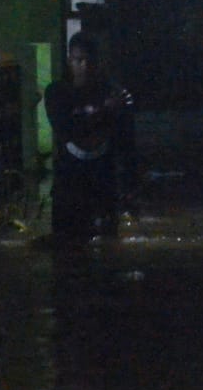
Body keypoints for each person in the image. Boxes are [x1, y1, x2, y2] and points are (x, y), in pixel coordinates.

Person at [44, 32, 136, 242]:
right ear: (70, 61)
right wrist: (104, 109)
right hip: (69, 183)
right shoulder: (57, 92)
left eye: (89, 61)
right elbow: (66, 129)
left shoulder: (113, 93)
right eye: (79, 60)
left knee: (106, 244)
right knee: (66, 245)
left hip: (103, 182)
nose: (84, 66)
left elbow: (127, 142)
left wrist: (130, 187)